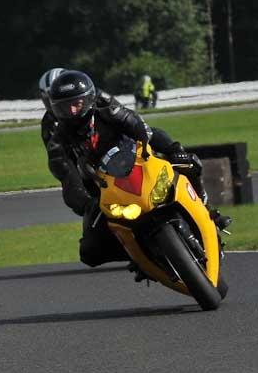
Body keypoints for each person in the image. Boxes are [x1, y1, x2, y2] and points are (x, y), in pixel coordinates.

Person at [45, 70, 231, 269]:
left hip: (137, 163)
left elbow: (141, 127)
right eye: (65, 107)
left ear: (88, 99)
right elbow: (67, 179)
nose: (73, 111)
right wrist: (86, 204)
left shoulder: (106, 108)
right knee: (90, 253)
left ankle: (207, 210)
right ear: (56, 109)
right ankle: (137, 255)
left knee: (189, 163)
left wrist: (172, 149)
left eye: (77, 104)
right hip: (105, 191)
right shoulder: (58, 141)